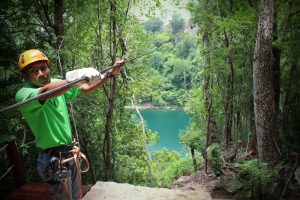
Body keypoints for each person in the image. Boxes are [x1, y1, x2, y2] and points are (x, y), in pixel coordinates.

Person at [15, 49, 124, 200]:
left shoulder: (55, 84)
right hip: (54, 160)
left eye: (43, 68)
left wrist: (110, 74)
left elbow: (85, 89)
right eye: (34, 71)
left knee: (76, 196)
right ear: (26, 76)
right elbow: (44, 93)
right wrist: (73, 80)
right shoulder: (24, 94)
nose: (41, 74)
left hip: (69, 154)